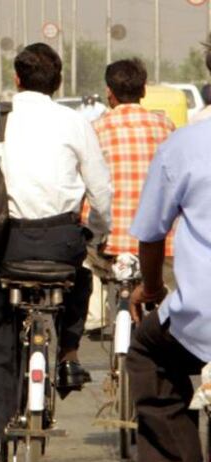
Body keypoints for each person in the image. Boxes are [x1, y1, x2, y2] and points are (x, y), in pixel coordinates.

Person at [0, 43, 113, 462]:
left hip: (8, 246)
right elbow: (100, 192)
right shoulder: (75, 122)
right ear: (58, 82)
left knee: (1, 340)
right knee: (80, 278)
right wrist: (98, 232)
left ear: (18, 79)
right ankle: (67, 352)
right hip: (62, 240)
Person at [126, 109, 211, 462]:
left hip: (202, 320)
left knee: (146, 349)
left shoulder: (184, 145)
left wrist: (154, 289)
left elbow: (152, 234)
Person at [86, 59, 175, 333]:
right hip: (161, 242)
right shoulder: (166, 127)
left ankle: (94, 318)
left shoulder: (95, 129)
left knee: (82, 259)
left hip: (111, 242)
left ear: (109, 93)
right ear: (144, 90)